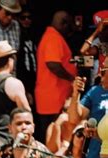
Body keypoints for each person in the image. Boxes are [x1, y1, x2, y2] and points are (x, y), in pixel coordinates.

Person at [68, 61, 108, 158]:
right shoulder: (95, 91)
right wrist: (76, 94)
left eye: (104, 69)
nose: (101, 73)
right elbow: (74, 118)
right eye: (102, 69)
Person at [35, 11, 77, 143]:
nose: (70, 30)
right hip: (52, 98)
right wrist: (71, 78)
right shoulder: (53, 38)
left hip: (53, 97)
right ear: (64, 24)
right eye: (69, 26)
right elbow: (52, 64)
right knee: (51, 138)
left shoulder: (52, 36)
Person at [16, 7, 37, 107]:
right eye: (23, 18)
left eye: (29, 18)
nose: (26, 20)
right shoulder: (17, 37)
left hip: (36, 79)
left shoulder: (34, 35)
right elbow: (19, 65)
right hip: (23, 79)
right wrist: (26, 89)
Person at [80, 12, 108, 77]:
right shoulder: (103, 46)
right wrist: (97, 31)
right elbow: (84, 51)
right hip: (101, 83)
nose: (101, 33)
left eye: (105, 29)